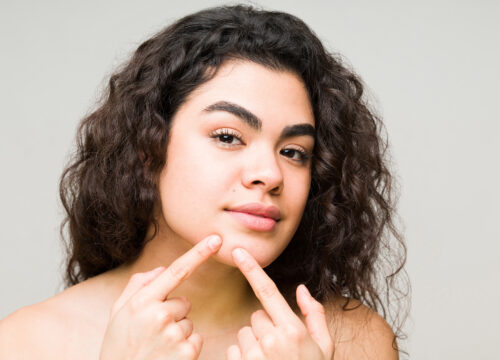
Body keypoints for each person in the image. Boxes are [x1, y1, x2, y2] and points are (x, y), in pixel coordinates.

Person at [0, 5, 408, 359]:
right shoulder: (26, 344)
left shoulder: (353, 341)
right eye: (228, 137)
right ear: (148, 146)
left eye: (293, 152)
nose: (269, 174)